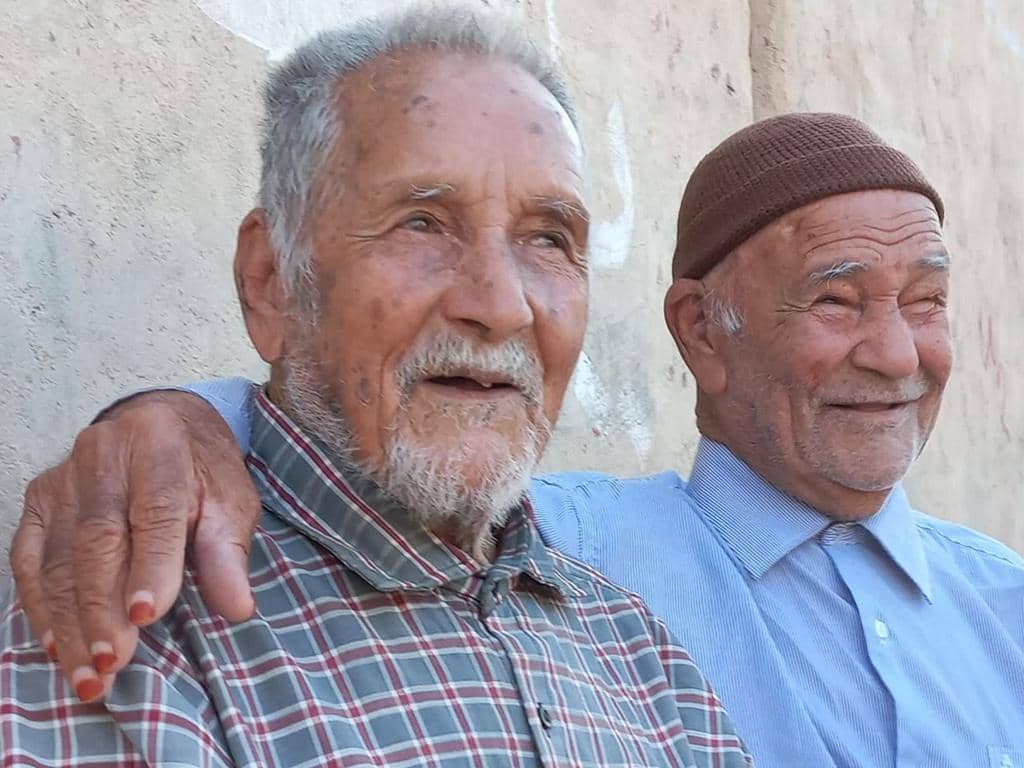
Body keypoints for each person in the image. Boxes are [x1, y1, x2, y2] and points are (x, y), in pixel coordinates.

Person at [8, 81, 1024, 768]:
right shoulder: (576, 558)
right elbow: (378, 440)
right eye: (836, 304)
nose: (898, 354)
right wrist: (173, 424)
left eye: (926, 303)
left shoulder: (1004, 601)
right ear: (701, 335)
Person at [0, 6, 753, 767]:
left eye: (548, 239)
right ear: (271, 284)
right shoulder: (134, 637)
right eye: (421, 223)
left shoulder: (643, 656)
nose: (499, 305)